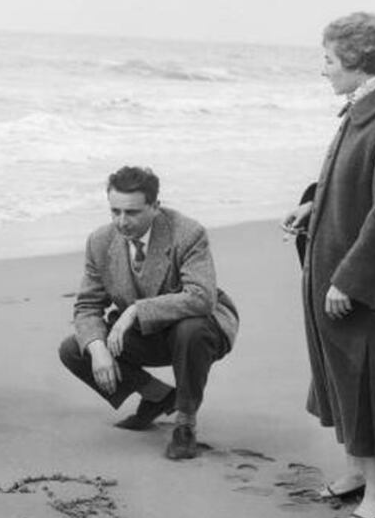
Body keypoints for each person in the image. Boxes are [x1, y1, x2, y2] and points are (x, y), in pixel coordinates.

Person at [282, 12, 375, 518]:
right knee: (344, 374)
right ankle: (356, 474)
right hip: (343, 274)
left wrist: (351, 279)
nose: (323, 71)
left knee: (369, 380)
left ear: (356, 63)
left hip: (370, 290)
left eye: (327, 60)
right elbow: (353, 179)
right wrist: (313, 203)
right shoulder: (368, 112)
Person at [58, 166, 239, 460]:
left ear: (155, 206)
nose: (121, 221)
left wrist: (135, 311)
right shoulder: (100, 241)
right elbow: (87, 306)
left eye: (132, 213)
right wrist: (98, 348)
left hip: (201, 330)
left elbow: (201, 298)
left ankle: (185, 423)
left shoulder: (188, 232)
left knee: (190, 330)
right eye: (115, 211)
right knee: (75, 349)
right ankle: (157, 396)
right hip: (146, 334)